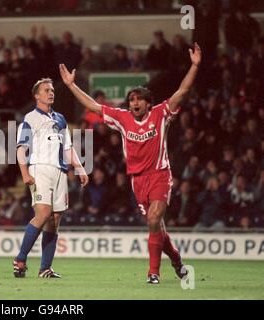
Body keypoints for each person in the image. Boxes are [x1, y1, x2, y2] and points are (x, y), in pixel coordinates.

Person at [59, 43, 202, 284]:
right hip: (137, 180)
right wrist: (72, 85)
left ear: (148, 103)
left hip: (159, 174)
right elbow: (93, 105)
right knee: (155, 226)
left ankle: (153, 273)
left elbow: (183, 90)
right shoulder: (122, 118)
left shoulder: (161, 113)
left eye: (138, 99)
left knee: (155, 219)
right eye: (131, 99)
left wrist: (195, 66)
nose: (134, 102)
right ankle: (177, 260)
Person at [13, 78, 89, 278]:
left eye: (52, 90)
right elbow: (22, 148)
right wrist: (25, 173)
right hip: (40, 169)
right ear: (36, 96)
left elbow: (67, 147)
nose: (51, 92)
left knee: (55, 220)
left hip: (60, 171)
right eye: (46, 90)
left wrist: (80, 168)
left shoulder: (60, 119)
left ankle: (45, 268)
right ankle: (20, 259)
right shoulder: (30, 118)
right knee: (44, 213)